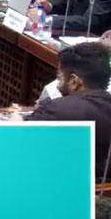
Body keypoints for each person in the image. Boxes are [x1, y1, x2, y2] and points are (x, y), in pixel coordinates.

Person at [26, 41, 111, 177]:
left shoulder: (57, 109)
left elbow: (22, 142)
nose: (58, 83)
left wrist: (15, 121)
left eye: (59, 76)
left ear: (74, 80)